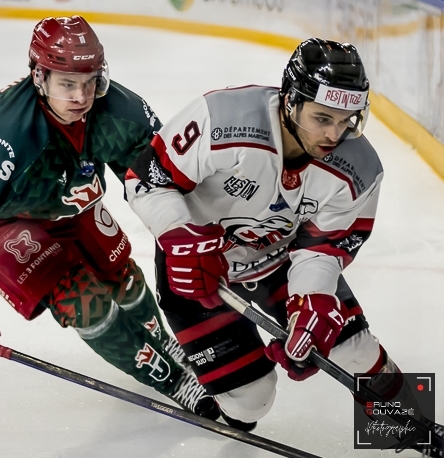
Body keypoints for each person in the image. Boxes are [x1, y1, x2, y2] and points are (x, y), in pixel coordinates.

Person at [125, 36, 443, 451]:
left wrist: (311, 297)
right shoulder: (221, 119)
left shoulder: (359, 168)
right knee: (251, 401)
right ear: (291, 101)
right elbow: (147, 181)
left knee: (355, 348)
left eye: (348, 120)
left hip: (279, 262)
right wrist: (177, 236)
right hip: (199, 269)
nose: (335, 134)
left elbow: (323, 247)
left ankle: (411, 429)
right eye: (323, 118)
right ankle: (216, 388)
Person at [0, 15, 219, 420]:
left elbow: (160, 179)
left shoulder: (120, 110)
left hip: (63, 196)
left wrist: (197, 232)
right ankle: (172, 380)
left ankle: (162, 345)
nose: (81, 96)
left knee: (121, 274)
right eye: (66, 83)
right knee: (82, 300)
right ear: (39, 78)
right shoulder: (3, 137)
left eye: (90, 80)